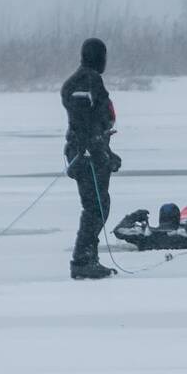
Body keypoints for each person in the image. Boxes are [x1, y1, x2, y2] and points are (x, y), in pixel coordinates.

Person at [61, 37, 122, 279]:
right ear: (98, 57)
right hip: (85, 156)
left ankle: (88, 257)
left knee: (98, 206)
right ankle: (82, 260)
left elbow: (92, 123)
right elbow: (82, 120)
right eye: (104, 57)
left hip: (91, 152)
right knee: (95, 207)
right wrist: (95, 150)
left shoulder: (87, 79)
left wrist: (107, 152)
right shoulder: (86, 80)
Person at [112, 202, 187, 251]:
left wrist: (134, 216)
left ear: (161, 218)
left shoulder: (147, 235)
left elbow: (119, 230)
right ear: (177, 217)